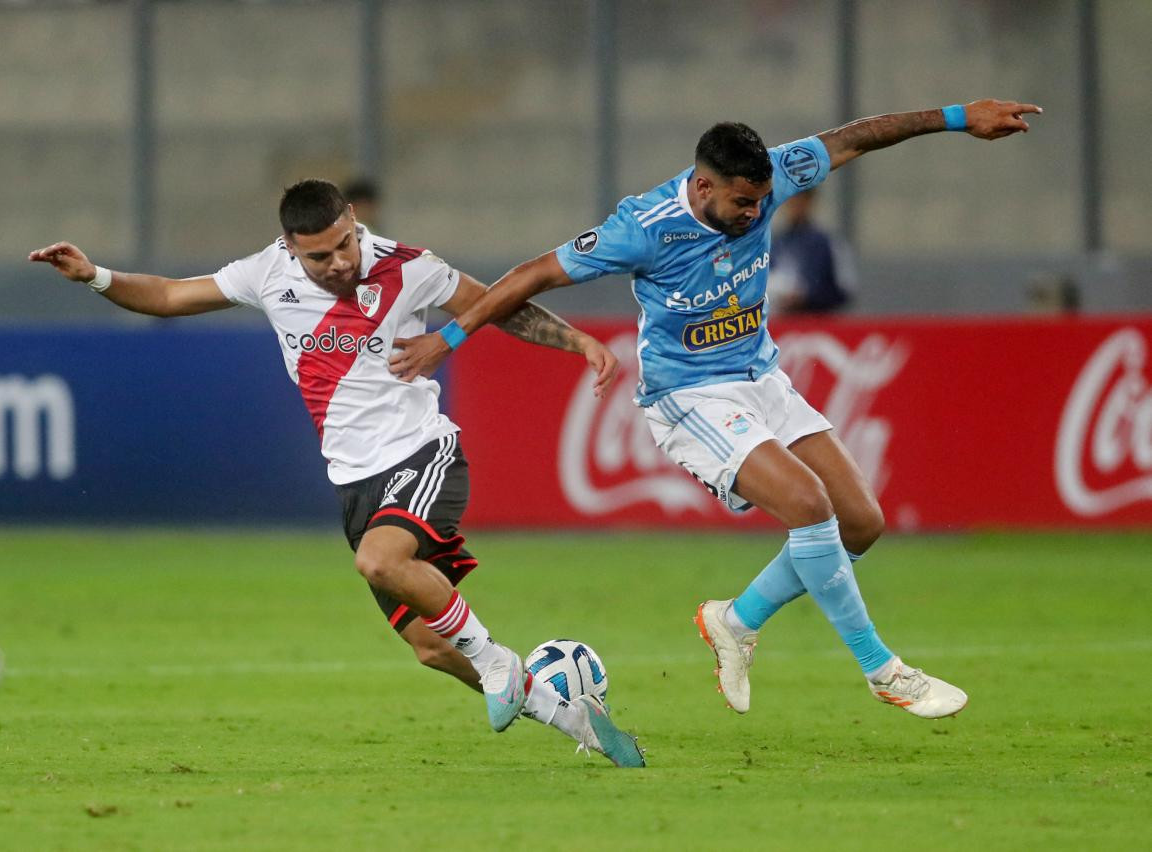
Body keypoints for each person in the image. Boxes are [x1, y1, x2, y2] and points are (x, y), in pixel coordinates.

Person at [390, 99, 1043, 719]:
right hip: (688, 396)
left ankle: (735, 620)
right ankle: (882, 670)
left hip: (761, 377)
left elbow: (854, 138)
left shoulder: (773, 179)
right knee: (810, 507)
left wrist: (960, 117)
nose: (757, 214)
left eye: (763, 201)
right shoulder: (642, 229)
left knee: (861, 523)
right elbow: (531, 274)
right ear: (704, 188)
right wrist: (447, 338)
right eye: (742, 202)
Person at [28, 179, 644, 767]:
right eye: (319, 256)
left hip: (421, 452)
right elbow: (168, 297)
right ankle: (572, 718)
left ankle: (499, 662)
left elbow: (497, 305)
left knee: (380, 561)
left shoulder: (408, 266)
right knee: (431, 647)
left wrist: (578, 342)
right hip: (355, 481)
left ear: (353, 219)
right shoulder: (266, 273)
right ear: (291, 248)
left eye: (344, 244)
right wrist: (96, 277)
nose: (338, 263)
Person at [767, 187, 856, 314]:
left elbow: (844, 289)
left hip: (819, 324)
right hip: (783, 324)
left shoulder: (827, 243)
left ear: (810, 202)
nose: (795, 205)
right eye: (791, 200)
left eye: (800, 200)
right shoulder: (775, 243)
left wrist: (807, 298)